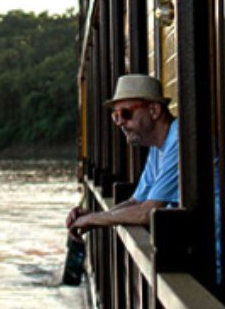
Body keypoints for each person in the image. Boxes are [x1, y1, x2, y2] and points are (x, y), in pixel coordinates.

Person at [67, 74, 178, 235]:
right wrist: (95, 217)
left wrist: (93, 219)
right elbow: (136, 202)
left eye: (125, 114)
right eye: (115, 116)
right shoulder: (158, 147)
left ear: (154, 111)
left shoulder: (179, 141)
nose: (119, 123)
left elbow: (146, 212)